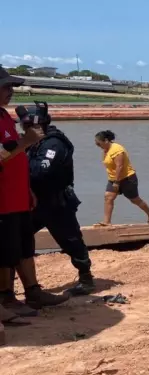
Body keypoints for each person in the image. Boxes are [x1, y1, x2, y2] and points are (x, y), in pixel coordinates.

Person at [1, 68, 69, 321]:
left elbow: (13, 155)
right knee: (6, 252)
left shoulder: (4, 117)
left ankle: (33, 292)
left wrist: (27, 188)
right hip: (3, 200)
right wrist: (26, 143)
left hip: (17, 196)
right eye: (7, 87)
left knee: (24, 247)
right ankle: (6, 298)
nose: (11, 92)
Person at [18, 102, 95, 296]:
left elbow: (41, 171)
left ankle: (86, 278)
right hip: (34, 202)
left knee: (70, 240)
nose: (25, 129)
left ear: (40, 124)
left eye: (28, 125)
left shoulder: (54, 143)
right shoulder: (32, 143)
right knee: (18, 238)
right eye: (24, 126)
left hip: (56, 202)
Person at [94, 130, 149, 226]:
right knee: (108, 197)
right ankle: (106, 222)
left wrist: (116, 182)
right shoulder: (105, 150)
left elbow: (120, 166)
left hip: (127, 178)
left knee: (134, 199)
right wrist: (113, 180)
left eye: (98, 143)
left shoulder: (117, 149)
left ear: (106, 140)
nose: (97, 145)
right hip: (113, 179)